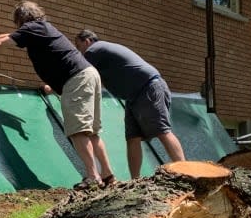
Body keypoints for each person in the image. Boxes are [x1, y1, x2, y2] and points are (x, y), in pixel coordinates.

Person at [0, 2, 116, 189]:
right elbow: (5, 36)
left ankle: (92, 177)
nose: (17, 28)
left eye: (17, 23)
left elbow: (2, 42)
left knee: (78, 130)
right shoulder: (41, 28)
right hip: (88, 75)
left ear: (21, 20)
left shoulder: (32, 28)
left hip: (76, 78)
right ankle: (107, 176)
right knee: (92, 132)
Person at [74, 29, 186, 177]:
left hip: (148, 87)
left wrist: (56, 86)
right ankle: (135, 181)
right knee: (132, 138)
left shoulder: (94, 50)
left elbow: (80, 72)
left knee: (162, 130)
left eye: (78, 46)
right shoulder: (103, 55)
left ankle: (186, 173)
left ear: (87, 41)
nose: (79, 51)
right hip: (133, 96)